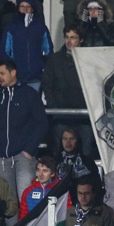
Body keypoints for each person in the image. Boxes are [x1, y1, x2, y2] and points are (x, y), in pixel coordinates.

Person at [0, 60, 46, 202]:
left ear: (13, 73)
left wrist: (28, 150)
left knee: (26, 199)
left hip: (23, 157)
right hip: (0, 158)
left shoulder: (29, 94)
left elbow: (42, 123)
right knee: (7, 201)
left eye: (2, 73)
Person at [43, 25, 93, 157]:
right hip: (61, 115)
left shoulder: (90, 60)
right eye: (67, 37)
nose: (69, 41)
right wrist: (54, 107)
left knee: (86, 156)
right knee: (58, 155)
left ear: (81, 40)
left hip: (84, 116)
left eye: (73, 38)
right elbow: (48, 85)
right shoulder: (54, 60)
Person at [0, 0, 53, 90]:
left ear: (33, 9)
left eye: (28, 6)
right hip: (16, 78)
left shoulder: (40, 28)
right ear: (18, 8)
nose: (25, 9)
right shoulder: (11, 28)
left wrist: (41, 65)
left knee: (33, 103)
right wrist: (12, 69)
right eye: (22, 6)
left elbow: (48, 50)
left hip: (36, 77)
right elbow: (4, 51)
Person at [19, 155, 63, 220]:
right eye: (38, 170)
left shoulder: (60, 190)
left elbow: (65, 214)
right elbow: (22, 218)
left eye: (45, 171)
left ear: (52, 173)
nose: (40, 174)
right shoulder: (28, 192)